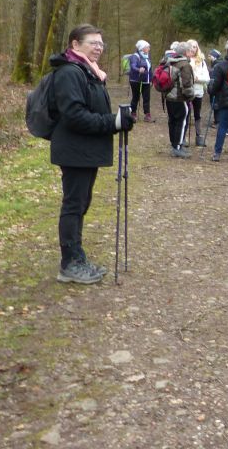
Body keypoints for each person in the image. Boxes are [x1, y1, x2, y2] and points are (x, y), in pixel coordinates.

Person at [48, 24, 135, 284]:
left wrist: (116, 120)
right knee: (74, 205)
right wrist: (113, 122)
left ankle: (77, 257)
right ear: (75, 45)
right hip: (74, 150)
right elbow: (74, 115)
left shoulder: (88, 72)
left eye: (101, 43)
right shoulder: (69, 73)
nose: (98, 47)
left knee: (81, 203)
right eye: (92, 43)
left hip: (84, 150)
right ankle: (70, 264)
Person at [164, 41, 196, 158]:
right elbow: (186, 84)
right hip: (179, 98)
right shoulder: (184, 65)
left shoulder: (170, 62)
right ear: (186, 52)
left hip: (169, 97)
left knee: (172, 121)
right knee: (181, 122)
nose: (191, 52)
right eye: (190, 50)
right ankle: (178, 147)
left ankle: (174, 145)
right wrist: (190, 96)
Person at [187, 39, 210, 147]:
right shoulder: (185, 60)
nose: (193, 48)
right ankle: (183, 137)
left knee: (197, 114)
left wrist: (197, 78)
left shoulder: (201, 61)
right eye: (191, 46)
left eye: (195, 46)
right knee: (186, 114)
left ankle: (199, 136)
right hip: (186, 91)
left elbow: (207, 78)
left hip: (198, 91)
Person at [127, 40, 153, 122]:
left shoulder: (147, 56)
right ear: (142, 48)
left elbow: (150, 69)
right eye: (147, 47)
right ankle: (133, 113)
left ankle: (147, 115)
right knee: (136, 97)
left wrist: (152, 79)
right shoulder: (135, 56)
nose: (149, 48)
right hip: (135, 80)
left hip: (146, 81)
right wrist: (139, 69)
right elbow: (133, 66)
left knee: (147, 98)